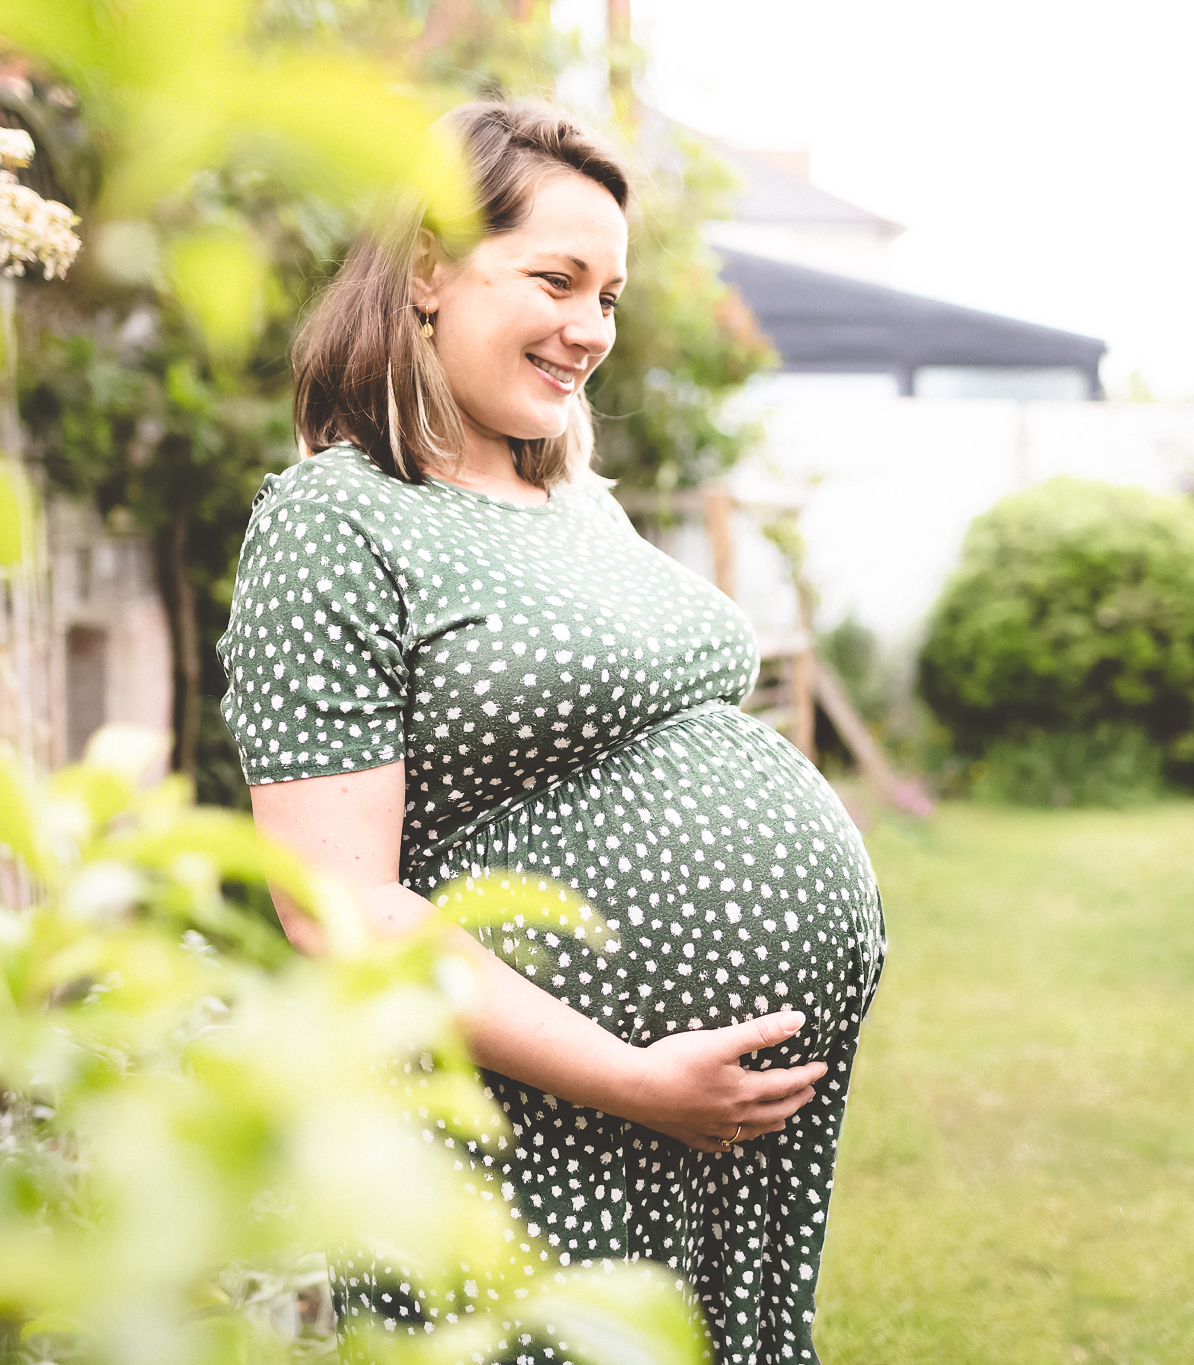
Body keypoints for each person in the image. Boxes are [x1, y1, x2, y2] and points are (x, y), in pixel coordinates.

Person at [218, 100, 885, 1365]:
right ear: (425, 269)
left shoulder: (567, 497)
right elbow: (334, 907)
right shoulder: (334, 517)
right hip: (532, 1127)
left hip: (709, 1123)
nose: (590, 330)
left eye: (611, 296)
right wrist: (628, 1076)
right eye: (555, 279)